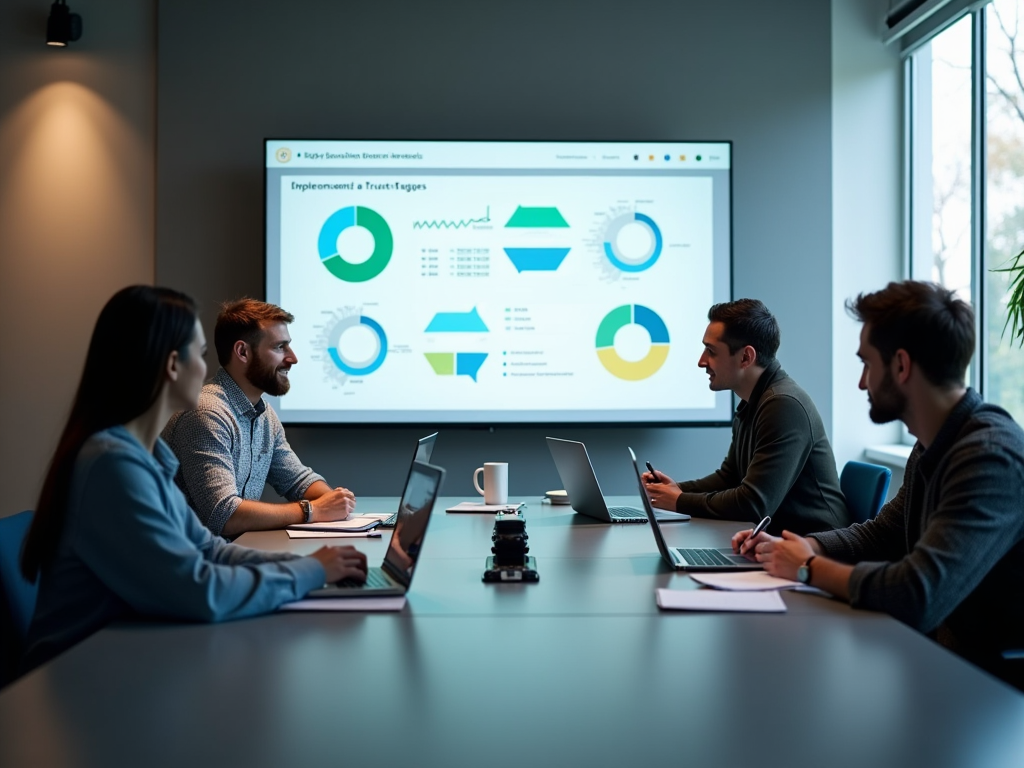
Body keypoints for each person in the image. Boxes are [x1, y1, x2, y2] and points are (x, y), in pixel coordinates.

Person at [19, 286, 366, 673]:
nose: (206, 371)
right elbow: (201, 590)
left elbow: (210, 550)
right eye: (199, 355)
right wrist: (310, 570)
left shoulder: (146, 457)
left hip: (128, 653)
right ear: (171, 365)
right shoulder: (112, 466)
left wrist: (316, 565)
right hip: (87, 675)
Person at [737, 281, 1024, 690]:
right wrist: (810, 547)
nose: (861, 382)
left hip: (987, 687)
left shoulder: (990, 457)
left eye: (867, 364)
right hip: (936, 659)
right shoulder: (933, 442)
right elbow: (886, 532)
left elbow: (917, 594)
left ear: (902, 366)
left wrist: (806, 568)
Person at [643, 299, 850, 535]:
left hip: (813, 550)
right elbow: (730, 477)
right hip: (779, 543)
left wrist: (679, 501)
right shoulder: (754, 402)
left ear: (745, 357)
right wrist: (675, 490)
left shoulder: (783, 405)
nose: (701, 361)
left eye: (711, 351)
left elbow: (754, 504)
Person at [162, 298, 355, 538]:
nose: (293, 358)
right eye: (279, 347)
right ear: (242, 352)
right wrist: (312, 510)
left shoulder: (264, 414)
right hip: (189, 566)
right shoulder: (207, 413)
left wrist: (333, 502)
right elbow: (224, 516)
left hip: (224, 558)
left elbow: (298, 481)